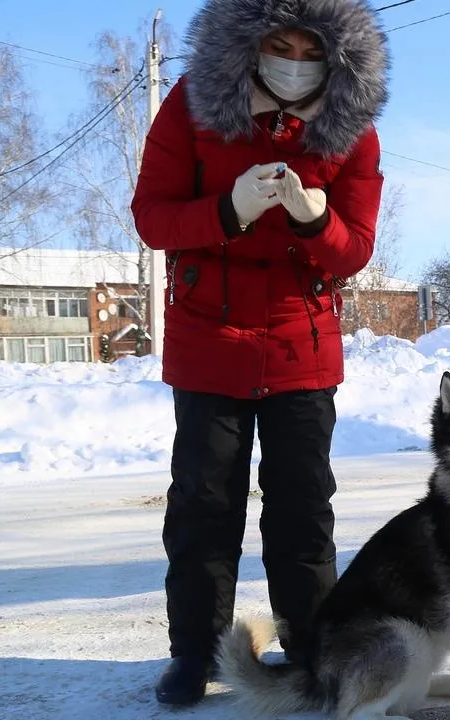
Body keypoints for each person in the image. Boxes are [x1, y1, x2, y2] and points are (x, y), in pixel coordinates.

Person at [130, 0, 388, 706]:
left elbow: (355, 248)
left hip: (301, 343)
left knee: (304, 509)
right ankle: (198, 653)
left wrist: (314, 218)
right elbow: (151, 216)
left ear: (336, 56)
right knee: (202, 507)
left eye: (312, 50)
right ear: (250, 44)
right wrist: (227, 210)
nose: (296, 61)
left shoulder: (351, 127)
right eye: (282, 44)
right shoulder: (193, 103)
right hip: (208, 340)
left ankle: (312, 650)